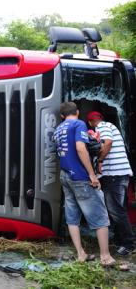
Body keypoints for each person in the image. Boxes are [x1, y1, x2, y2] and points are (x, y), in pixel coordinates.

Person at [54, 101, 115, 266]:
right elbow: (80, 148)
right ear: (78, 112)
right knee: (99, 215)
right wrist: (92, 175)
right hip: (79, 176)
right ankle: (105, 257)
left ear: (62, 116)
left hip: (65, 175)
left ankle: (81, 254)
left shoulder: (58, 129)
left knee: (72, 215)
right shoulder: (78, 124)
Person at [88, 110, 135, 256]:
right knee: (117, 209)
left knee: (115, 209)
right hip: (117, 175)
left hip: (116, 175)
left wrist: (100, 161)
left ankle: (129, 243)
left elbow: (108, 143)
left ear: (90, 122)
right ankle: (120, 239)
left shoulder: (102, 127)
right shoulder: (109, 126)